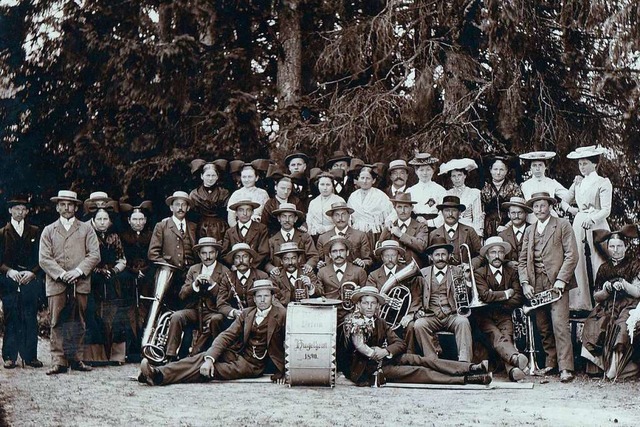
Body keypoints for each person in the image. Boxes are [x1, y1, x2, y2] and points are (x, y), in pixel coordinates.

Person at [139, 279, 287, 385]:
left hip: (253, 365)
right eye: (259, 296)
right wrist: (210, 358)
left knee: (210, 370)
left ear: (272, 297)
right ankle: (157, 371)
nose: (262, 299)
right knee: (202, 358)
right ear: (254, 298)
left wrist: (284, 371)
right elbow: (226, 335)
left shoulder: (281, 314)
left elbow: (290, 343)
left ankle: (159, 376)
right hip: (238, 353)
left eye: (266, 296)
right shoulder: (247, 313)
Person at [344, 286, 492, 386]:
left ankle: (471, 367)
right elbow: (353, 350)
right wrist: (374, 354)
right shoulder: (352, 321)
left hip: (388, 359)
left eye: (373, 303)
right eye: (365, 303)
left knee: (423, 360)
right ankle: (469, 379)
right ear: (359, 305)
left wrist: (386, 351)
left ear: (378, 306)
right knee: (419, 371)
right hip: (369, 370)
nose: (369, 307)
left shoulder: (380, 322)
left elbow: (400, 344)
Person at [518, 192, 578, 382]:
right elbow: (521, 261)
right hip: (536, 284)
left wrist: (561, 280)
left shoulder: (562, 225)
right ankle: (551, 363)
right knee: (543, 326)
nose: (539, 210)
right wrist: (525, 282)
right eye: (536, 207)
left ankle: (566, 368)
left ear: (550, 206)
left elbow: (572, 255)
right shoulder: (529, 230)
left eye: (543, 206)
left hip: (557, 282)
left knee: (560, 324)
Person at [39, 190, 101, 375]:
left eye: (70, 205)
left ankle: (76, 358)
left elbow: (94, 254)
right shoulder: (49, 230)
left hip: (79, 282)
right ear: (57, 207)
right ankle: (58, 361)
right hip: (56, 283)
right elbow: (44, 258)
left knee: (79, 320)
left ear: (76, 207)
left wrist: (78, 271)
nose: (66, 208)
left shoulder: (86, 228)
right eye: (63, 205)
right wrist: (61, 274)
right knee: (56, 320)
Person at [581, 227, 640, 380]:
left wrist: (625, 285)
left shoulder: (635, 264)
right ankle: (598, 367)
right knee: (595, 322)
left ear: (625, 247)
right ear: (607, 248)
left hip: (630, 305)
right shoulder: (604, 268)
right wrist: (606, 289)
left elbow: (638, 292)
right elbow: (597, 296)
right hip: (608, 305)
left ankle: (615, 367)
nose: (616, 250)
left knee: (622, 324)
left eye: (619, 246)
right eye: (612, 246)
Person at [564, 145, 612, 311]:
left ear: (594, 164)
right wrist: (570, 209)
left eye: (585, 163)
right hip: (579, 224)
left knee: (597, 260)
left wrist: (592, 218)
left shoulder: (602, 182)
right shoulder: (578, 182)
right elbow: (564, 199)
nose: (582, 167)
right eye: (580, 164)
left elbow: (606, 209)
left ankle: (599, 300)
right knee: (579, 261)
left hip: (596, 224)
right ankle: (581, 302)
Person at [473, 236, 528, 382]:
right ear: (486, 255)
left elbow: (517, 298)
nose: (497, 256)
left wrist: (496, 300)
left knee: (506, 337)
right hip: (485, 317)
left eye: (500, 252)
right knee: (496, 335)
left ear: (504, 255)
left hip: (504, 315)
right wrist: (505, 294)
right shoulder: (479, 273)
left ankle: (513, 370)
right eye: (493, 252)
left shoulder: (512, 272)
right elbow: (484, 296)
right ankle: (515, 359)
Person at [165, 237, 229, 360]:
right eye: (204, 253)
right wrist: (195, 285)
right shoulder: (193, 269)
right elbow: (182, 295)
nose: (208, 257)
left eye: (211, 253)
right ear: (199, 255)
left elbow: (226, 298)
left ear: (216, 253)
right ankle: (171, 355)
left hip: (214, 311)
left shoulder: (224, 271)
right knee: (176, 316)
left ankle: (211, 355)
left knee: (216, 319)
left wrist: (212, 284)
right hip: (195, 310)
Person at [83, 193, 128, 365]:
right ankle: (95, 356)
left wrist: (114, 270)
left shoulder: (113, 236)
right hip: (91, 279)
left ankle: (116, 356)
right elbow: (83, 257)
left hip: (111, 279)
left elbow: (122, 259)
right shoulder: (86, 234)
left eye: (105, 219)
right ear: (93, 220)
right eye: (99, 219)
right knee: (93, 314)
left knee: (115, 315)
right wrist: (97, 270)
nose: (103, 222)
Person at [413, 237, 473, 362]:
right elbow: (417, 296)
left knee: (463, 322)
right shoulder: (422, 273)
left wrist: (467, 281)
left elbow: (465, 297)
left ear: (449, 256)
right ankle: (432, 360)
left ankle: (465, 362)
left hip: (452, 315)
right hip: (431, 315)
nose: (440, 258)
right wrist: (417, 311)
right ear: (431, 257)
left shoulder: (457, 271)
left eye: (443, 254)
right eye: (437, 255)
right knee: (419, 325)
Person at [0, 196, 43, 369]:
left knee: (30, 315)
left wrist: (32, 273)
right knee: (11, 316)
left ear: (27, 212)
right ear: (10, 210)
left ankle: (30, 356)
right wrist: (9, 271)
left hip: (29, 279)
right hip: (9, 280)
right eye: (16, 208)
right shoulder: (2, 233)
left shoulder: (35, 231)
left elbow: (42, 257)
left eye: (23, 209)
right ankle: (9, 356)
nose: (20, 212)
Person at [366, 240, 423, 352]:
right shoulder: (373, 275)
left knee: (411, 325)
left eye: (393, 255)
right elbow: (369, 295)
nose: (390, 259)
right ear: (382, 257)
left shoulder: (408, 272)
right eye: (387, 255)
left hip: (402, 316)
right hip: (381, 316)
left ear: (398, 256)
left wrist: (410, 314)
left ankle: (409, 354)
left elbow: (416, 296)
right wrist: (382, 298)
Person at [148, 191, 197, 308]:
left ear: (188, 208)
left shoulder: (193, 227)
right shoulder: (161, 226)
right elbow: (152, 253)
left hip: (189, 276)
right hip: (169, 277)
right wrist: (168, 268)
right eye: (177, 204)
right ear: (171, 207)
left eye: (184, 205)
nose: (180, 208)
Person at [118, 200, 154, 361]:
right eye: (135, 219)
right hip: (128, 276)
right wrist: (133, 271)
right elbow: (120, 257)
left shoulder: (152, 235)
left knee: (145, 309)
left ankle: (145, 346)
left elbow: (154, 256)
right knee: (130, 310)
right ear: (129, 221)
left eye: (141, 219)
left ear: (145, 221)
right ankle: (131, 349)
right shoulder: (123, 236)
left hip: (147, 276)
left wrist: (144, 271)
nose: (138, 222)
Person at [316, 236, 367, 323]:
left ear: (347, 252)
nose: (338, 254)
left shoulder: (359, 271)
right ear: (330, 255)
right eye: (334, 251)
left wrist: (358, 293)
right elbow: (319, 292)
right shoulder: (322, 272)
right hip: (328, 314)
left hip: (352, 315)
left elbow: (365, 295)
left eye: (341, 251)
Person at [217, 243, 269, 322]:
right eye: (237, 257)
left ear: (251, 259)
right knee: (216, 319)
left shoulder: (262, 276)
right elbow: (221, 303)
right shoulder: (227, 278)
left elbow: (270, 300)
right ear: (233, 261)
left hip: (257, 318)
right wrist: (233, 312)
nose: (241, 261)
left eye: (245, 257)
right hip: (235, 320)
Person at [427, 196, 483, 269]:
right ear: (442, 212)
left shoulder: (470, 231)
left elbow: (481, 255)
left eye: (454, 210)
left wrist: (470, 265)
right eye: (447, 210)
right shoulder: (434, 234)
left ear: (459, 212)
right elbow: (430, 259)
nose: (450, 214)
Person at [376, 192, 429, 267]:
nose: (403, 211)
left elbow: (421, 246)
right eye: (399, 207)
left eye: (406, 207)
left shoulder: (420, 226)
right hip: (393, 270)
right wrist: (385, 230)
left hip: (415, 271)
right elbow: (378, 252)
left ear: (412, 208)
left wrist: (401, 235)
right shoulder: (390, 226)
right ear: (395, 208)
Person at [264, 203, 318, 276]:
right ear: (279, 219)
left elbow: (313, 256)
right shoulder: (272, 240)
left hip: (302, 275)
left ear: (295, 219)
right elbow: (266, 261)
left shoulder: (305, 237)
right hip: (281, 279)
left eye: (290, 217)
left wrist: (309, 265)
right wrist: (271, 268)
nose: (287, 220)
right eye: (283, 216)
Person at [347, 165, 394, 248]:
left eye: (368, 178)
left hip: (374, 234)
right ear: (358, 179)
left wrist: (388, 223)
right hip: (356, 233)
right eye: (362, 178)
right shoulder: (353, 196)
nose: (364, 181)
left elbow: (392, 213)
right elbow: (348, 216)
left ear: (373, 180)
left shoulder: (380, 196)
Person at [316, 201, 372, 270]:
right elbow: (319, 260)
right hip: (330, 278)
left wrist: (362, 263)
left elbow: (368, 260)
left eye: (343, 214)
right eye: (336, 215)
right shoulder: (323, 238)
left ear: (349, 216)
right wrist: (321, 264)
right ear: (332, 218)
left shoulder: (360, 236)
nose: (340, 218)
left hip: (354, 276)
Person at [518, 151, 570, 223]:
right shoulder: (525, 185)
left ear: (545, 167)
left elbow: (568, 196)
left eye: (540, 165)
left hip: (550, 218)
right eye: (534, 165)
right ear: (530, 168)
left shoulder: (552, 183)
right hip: (532, 220)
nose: (537, 168)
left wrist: (577, 185)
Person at [439, 158, 484, 238]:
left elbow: (477, 216)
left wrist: (477, 235)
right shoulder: (446, 193)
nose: (457, 178)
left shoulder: (474, 193)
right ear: (450, 178)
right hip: (451, 229)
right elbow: (442, 216)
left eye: (459, 175)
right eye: (453, 176)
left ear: (465, 176)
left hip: (468, 229)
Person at [481, 156, 523, 238]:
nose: (498, 173)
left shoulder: (513, 187)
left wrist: (507, 226)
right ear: (490, 170)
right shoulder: (484, 188)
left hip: (510, 226)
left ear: (506, 171)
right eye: (495, 169)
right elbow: (481, 211)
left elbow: (519, 209)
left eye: (501, 169)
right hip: (488, 227)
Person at [188, 159, 230, 240]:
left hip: (220, 228)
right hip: (201, 228)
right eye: (208, 175)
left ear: (217, 177)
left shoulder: (224, 193)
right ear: (201, 176)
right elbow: (191, 216)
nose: (210, 178)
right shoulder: (194, 194)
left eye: (213, 175)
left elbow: (227, 213)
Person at [221, 200, 269, 270]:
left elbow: (264, 252)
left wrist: (249, 267)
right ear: (236, 213)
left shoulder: (261, 229)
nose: (245, 213)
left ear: (252, 212)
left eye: (248, 210)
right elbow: (224, 254)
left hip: (256, 270)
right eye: (241, 210)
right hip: (235, 270)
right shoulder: (230, 232)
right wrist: (233, 265)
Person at [406, 152, 446, 230]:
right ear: (416, 171)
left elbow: (444, 212)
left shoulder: (440, 190)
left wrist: (429, 222)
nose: (425, 173)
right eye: (421, 170)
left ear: (433, 171)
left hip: (435, 227)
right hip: (415, 226)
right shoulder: (410, 191)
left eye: (428, 169)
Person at [306, 172, 346, 237]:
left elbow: (344, 221)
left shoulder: (339, 200)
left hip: (335, 234)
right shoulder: (313, 202)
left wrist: (326, 228)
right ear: (318, 185)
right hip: (315, 235)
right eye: (322, 184)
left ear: (332, 186)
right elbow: (309, 220)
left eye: (328, 184)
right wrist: (313, 230)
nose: (325, 188)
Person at [498, 197, 532, 268]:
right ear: (509, 214)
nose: (516, 216)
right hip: (510, 276)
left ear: (526, 214)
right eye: (513, 213)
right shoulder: (502, 235)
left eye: (520, 213)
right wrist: (507, 263)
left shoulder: (534, 231)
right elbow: (498, 256)